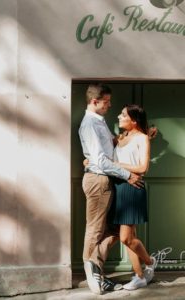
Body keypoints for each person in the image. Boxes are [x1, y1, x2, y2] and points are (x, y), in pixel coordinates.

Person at [78, 83, 143, 295]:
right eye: (106, 102)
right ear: (94, 102)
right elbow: (101, 161)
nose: (110, 105)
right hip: (99, 180)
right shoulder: (90, 125)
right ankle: (92, 274)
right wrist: (128, 175)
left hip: (106, 180)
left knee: (116, 229)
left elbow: (110, 147)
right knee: (95, 229)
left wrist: (141, 136)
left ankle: (95, 264)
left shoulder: (99, 122)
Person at [108, 104, 157, 290]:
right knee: (131, 238)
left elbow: (143, 168)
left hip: (133, 189)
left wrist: (116, 164)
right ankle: (139, 276)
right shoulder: (121, 137)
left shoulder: (142, 138)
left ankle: (150, 262)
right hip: (119, 187)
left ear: (133, 120)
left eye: (123, 115)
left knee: (125, 238)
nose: (119, 117)